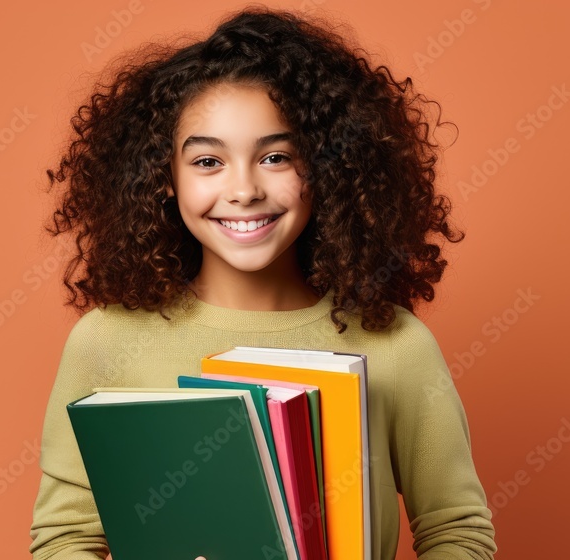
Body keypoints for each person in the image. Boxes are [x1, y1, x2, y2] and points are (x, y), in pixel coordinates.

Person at [29, 7, 496, 560]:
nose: (244, 189)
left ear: (327, 169)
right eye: (207, 161)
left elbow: (457, 531)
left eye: (276, 156)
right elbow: (66, 538)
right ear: (162, 178)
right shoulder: (105, 342)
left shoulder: (396, 345)